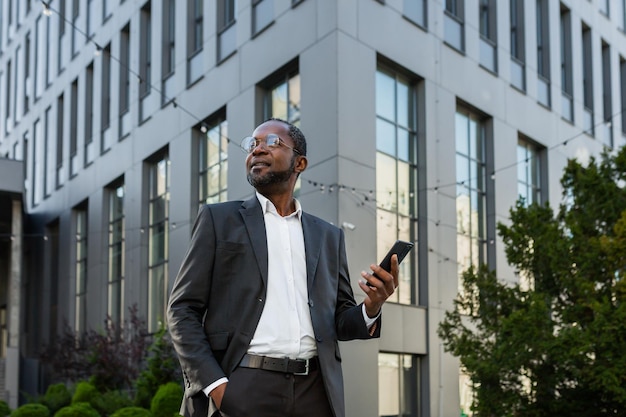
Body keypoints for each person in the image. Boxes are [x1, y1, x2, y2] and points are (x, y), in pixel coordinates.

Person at [167, 118, 399, 417]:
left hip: (315, 390)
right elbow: (182, 309)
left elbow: (339, 321)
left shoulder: (328, 236)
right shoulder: (218, 219)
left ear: (299, 162)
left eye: (271, 142)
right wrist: (216, 386)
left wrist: (372, 305)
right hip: (244, 383)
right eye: (252, 144)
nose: (257, 150)